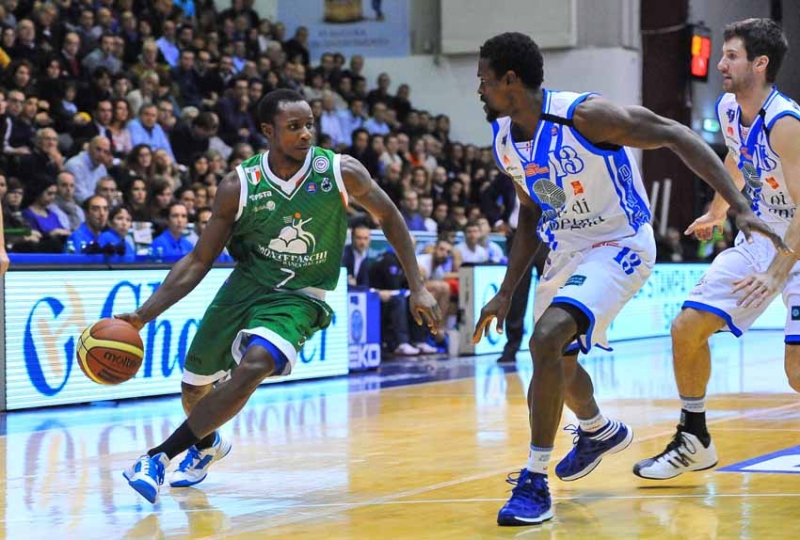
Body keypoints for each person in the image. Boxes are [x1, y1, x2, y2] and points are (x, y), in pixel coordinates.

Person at [470, 32, 785, 527]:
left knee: (546, 339)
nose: (480, 90)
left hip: (620, 244)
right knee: (562, 369)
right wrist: (507, 292)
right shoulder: (505, 139)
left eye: (484, 80)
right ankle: (598, 431)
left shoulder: (584, 116)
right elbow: (529, 214)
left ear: (510, 80)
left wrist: (738, 207)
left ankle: (534, 479)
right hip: (565, 250)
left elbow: (677, 134)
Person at [116, 89, 441, 503]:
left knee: (255, 365)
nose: (306, 134)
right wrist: (144, 315)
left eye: (310, 125)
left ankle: (158, 459)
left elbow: (390, 217)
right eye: (294, 127)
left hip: (302, 297)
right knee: (194, 390)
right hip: (245, 287)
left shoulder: (340, 171)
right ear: (268, 131)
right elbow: (199, 260)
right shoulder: (239, 185)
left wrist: (417, 285)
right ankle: (207, 444)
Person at [634, 19, 800, 480]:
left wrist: (777, 274)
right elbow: (735, 158)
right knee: (686, 327)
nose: (721, 64)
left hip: (797, 244)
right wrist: (719, 209)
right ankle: (695, 438)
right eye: (723, 54)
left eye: (731, 56)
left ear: (760, 64)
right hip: (759, 237)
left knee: (797, 373)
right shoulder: (730, 108)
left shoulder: (786, 123)